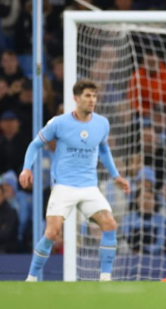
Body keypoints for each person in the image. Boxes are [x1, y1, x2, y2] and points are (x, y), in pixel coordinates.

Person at [20, 79, 130, 281]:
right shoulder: (59, 123)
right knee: (52, 233)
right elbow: (35, 145)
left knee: (110, 224)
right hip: (64, 186)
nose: (92, 100)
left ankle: (105, 279)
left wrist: (116, 176)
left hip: (89, 187)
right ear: (76, 98)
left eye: (94, 96)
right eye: (88, 96)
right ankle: (32, 278)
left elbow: (104, 150)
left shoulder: (102, 123)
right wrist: (26, 168)